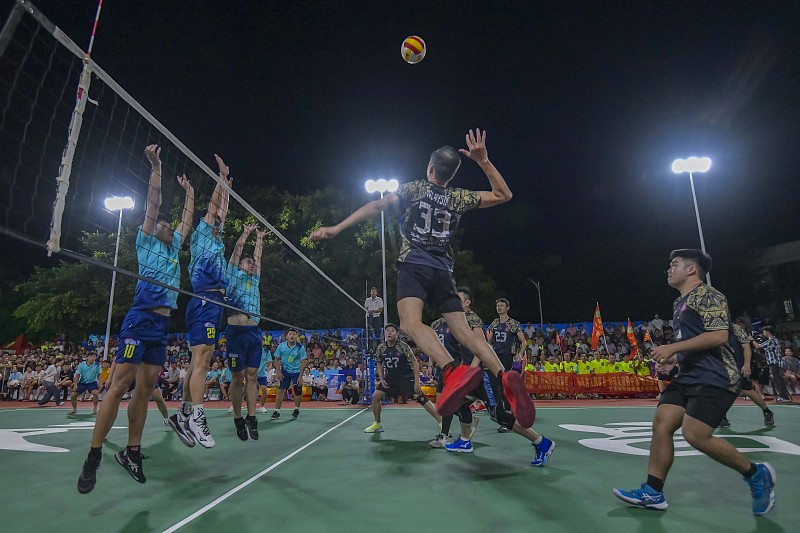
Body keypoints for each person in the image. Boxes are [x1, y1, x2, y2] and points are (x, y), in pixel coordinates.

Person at [309, 129, 534, 427]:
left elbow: (376, 205)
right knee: (465, 332)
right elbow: (504, 195)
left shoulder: (413, 189)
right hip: (444, 269)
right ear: (451, 175)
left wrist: (337, 228)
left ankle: (452, 369)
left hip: (414, 264)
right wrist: (484, 161)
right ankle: (505, 376)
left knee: (410, 324)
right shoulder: (458, 197)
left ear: (430, 168)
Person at [613, 249, 776, 515]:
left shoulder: (709, 295)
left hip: (717, 375)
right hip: (689, 374)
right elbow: (695, 342)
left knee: (695, 434)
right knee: (662, 422)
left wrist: (673, 346)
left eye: (674, 264)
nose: (669, 269)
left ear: (691, 270)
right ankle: (653, 492)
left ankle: (756, 474)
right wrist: (674, 357)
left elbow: (719, 336)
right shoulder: (680, 303)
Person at [78, 145, 194, 493]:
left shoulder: (175, 248)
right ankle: (93, 457)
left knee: (144, 391)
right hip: (139, 320)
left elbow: (187, 218)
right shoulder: (146, 242)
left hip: (161, 327)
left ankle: (132, 451)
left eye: (169, 225)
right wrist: (156, 166)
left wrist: (190, 192)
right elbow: (153, 202)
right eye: (161, 223)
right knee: (118, 385)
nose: (166, 224)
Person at [170, 154, 231, 449]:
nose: (219, 221)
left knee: (199, 361)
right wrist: (220, 179)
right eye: (215, 220)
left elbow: (222, 211)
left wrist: (226, 188)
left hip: (212, 303)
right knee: (203, 361)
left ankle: (182, 414)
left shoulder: (216, 241)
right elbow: (215, 209)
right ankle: (196, 416)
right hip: (205, 300)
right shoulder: (203, 235)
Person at [224, 224, 267, 440]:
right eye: (247, 262)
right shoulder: (232, 275)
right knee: (237, 377)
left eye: (252, 263)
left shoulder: (255, 279)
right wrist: (246, 234)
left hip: (253, 333)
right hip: (235, 333)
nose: (251, 264)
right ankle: (238, 418)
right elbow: (237, 251)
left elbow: (258, 258)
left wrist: (259, 239)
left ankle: (252, 417)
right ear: (240, 265)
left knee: (252, 377)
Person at [363, 324, 442, 433]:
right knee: (376, 396)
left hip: (406, 378)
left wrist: (416, 381)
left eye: (392, 331)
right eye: (387, 331)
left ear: (397, 334)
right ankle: (377, 423)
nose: (389, 333)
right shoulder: (381, 347)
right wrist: (381, 378)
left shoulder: (402, 346)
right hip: (391, 378)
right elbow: (379, 363)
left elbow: (415, 362)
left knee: (421, 398)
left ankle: (441, 422)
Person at [717, 320, 774, 429]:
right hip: (722, 366)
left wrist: (747, 364)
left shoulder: (736, 329)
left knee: (746, 390)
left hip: (738, 365)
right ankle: (723, 418)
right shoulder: (713, 329)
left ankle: (766, 411)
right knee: (720, 390)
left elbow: (746, 347)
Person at [271, 328, 307, 420]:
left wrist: (300, 376)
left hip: (296, 372)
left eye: (294, 334)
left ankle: (296, 409)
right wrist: (278, 372)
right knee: (280, 391)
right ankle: (277, 411)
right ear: (286, 336)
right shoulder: (281, 346)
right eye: (290, 334)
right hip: (285, 372)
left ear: (296, 336)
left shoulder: (300, 347)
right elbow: (276, 359)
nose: (292, 336)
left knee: (297, 391)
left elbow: (303, 362)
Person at [751, 326, 791, 402]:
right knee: (778, 380)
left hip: (774, 362)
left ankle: (783, 397)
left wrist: (752, 340)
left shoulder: (772, 340)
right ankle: (783, 396)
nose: (763, 334)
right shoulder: (774, 340)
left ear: (767, 331)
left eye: (763, 332)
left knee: (778, 380)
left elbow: (758, 347)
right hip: (776, 362)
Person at [488, 298, 526, 373]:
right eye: (498, 306)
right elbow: (489, 340)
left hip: (508, 356)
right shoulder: (494, 322)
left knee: (507, 379)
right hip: (495, 356)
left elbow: (524, 342)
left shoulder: (513, 323)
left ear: (507, 308)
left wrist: (520, 354)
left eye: (502, 305)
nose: (499, 307)